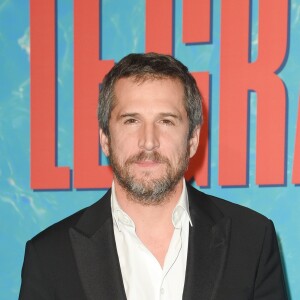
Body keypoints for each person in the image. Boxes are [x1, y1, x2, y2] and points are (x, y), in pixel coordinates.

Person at [19, 53, 287, 300]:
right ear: (105, 139)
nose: (148, 142)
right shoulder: (50, 257)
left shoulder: (252, 241)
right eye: (131, 121)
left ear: (193, 139)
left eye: (166, 121)